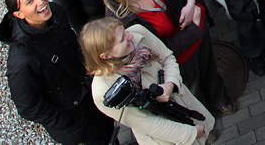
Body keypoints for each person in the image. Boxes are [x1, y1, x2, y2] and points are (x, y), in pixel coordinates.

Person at [94, 0, 234, 115]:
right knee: (191, 90)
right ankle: (205, 119)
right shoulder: (124, 23)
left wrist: (190, 2)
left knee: (209, 69)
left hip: (199, 33)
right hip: (179, 57)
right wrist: (193, 29)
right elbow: (158, 50)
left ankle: (220, 100)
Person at [0, 0, 116, 145]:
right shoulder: (21, 60)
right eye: (29, 2)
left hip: (91, 96)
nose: (41, 2)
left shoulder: (56, 12)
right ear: (19, 15)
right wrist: (67, 121)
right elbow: (28, 107)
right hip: (77, 124)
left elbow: (74, 45)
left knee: (113, 132)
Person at [81, 18, 215, 144]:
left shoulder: (139, 32)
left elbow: (167, 57)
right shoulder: (104, 90)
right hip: (168, 138)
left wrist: (170, 84)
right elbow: (146, 123)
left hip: (187, 107)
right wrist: (191, 133)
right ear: (106, 55)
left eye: (125, 31)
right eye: (122, 39)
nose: (130, 36)